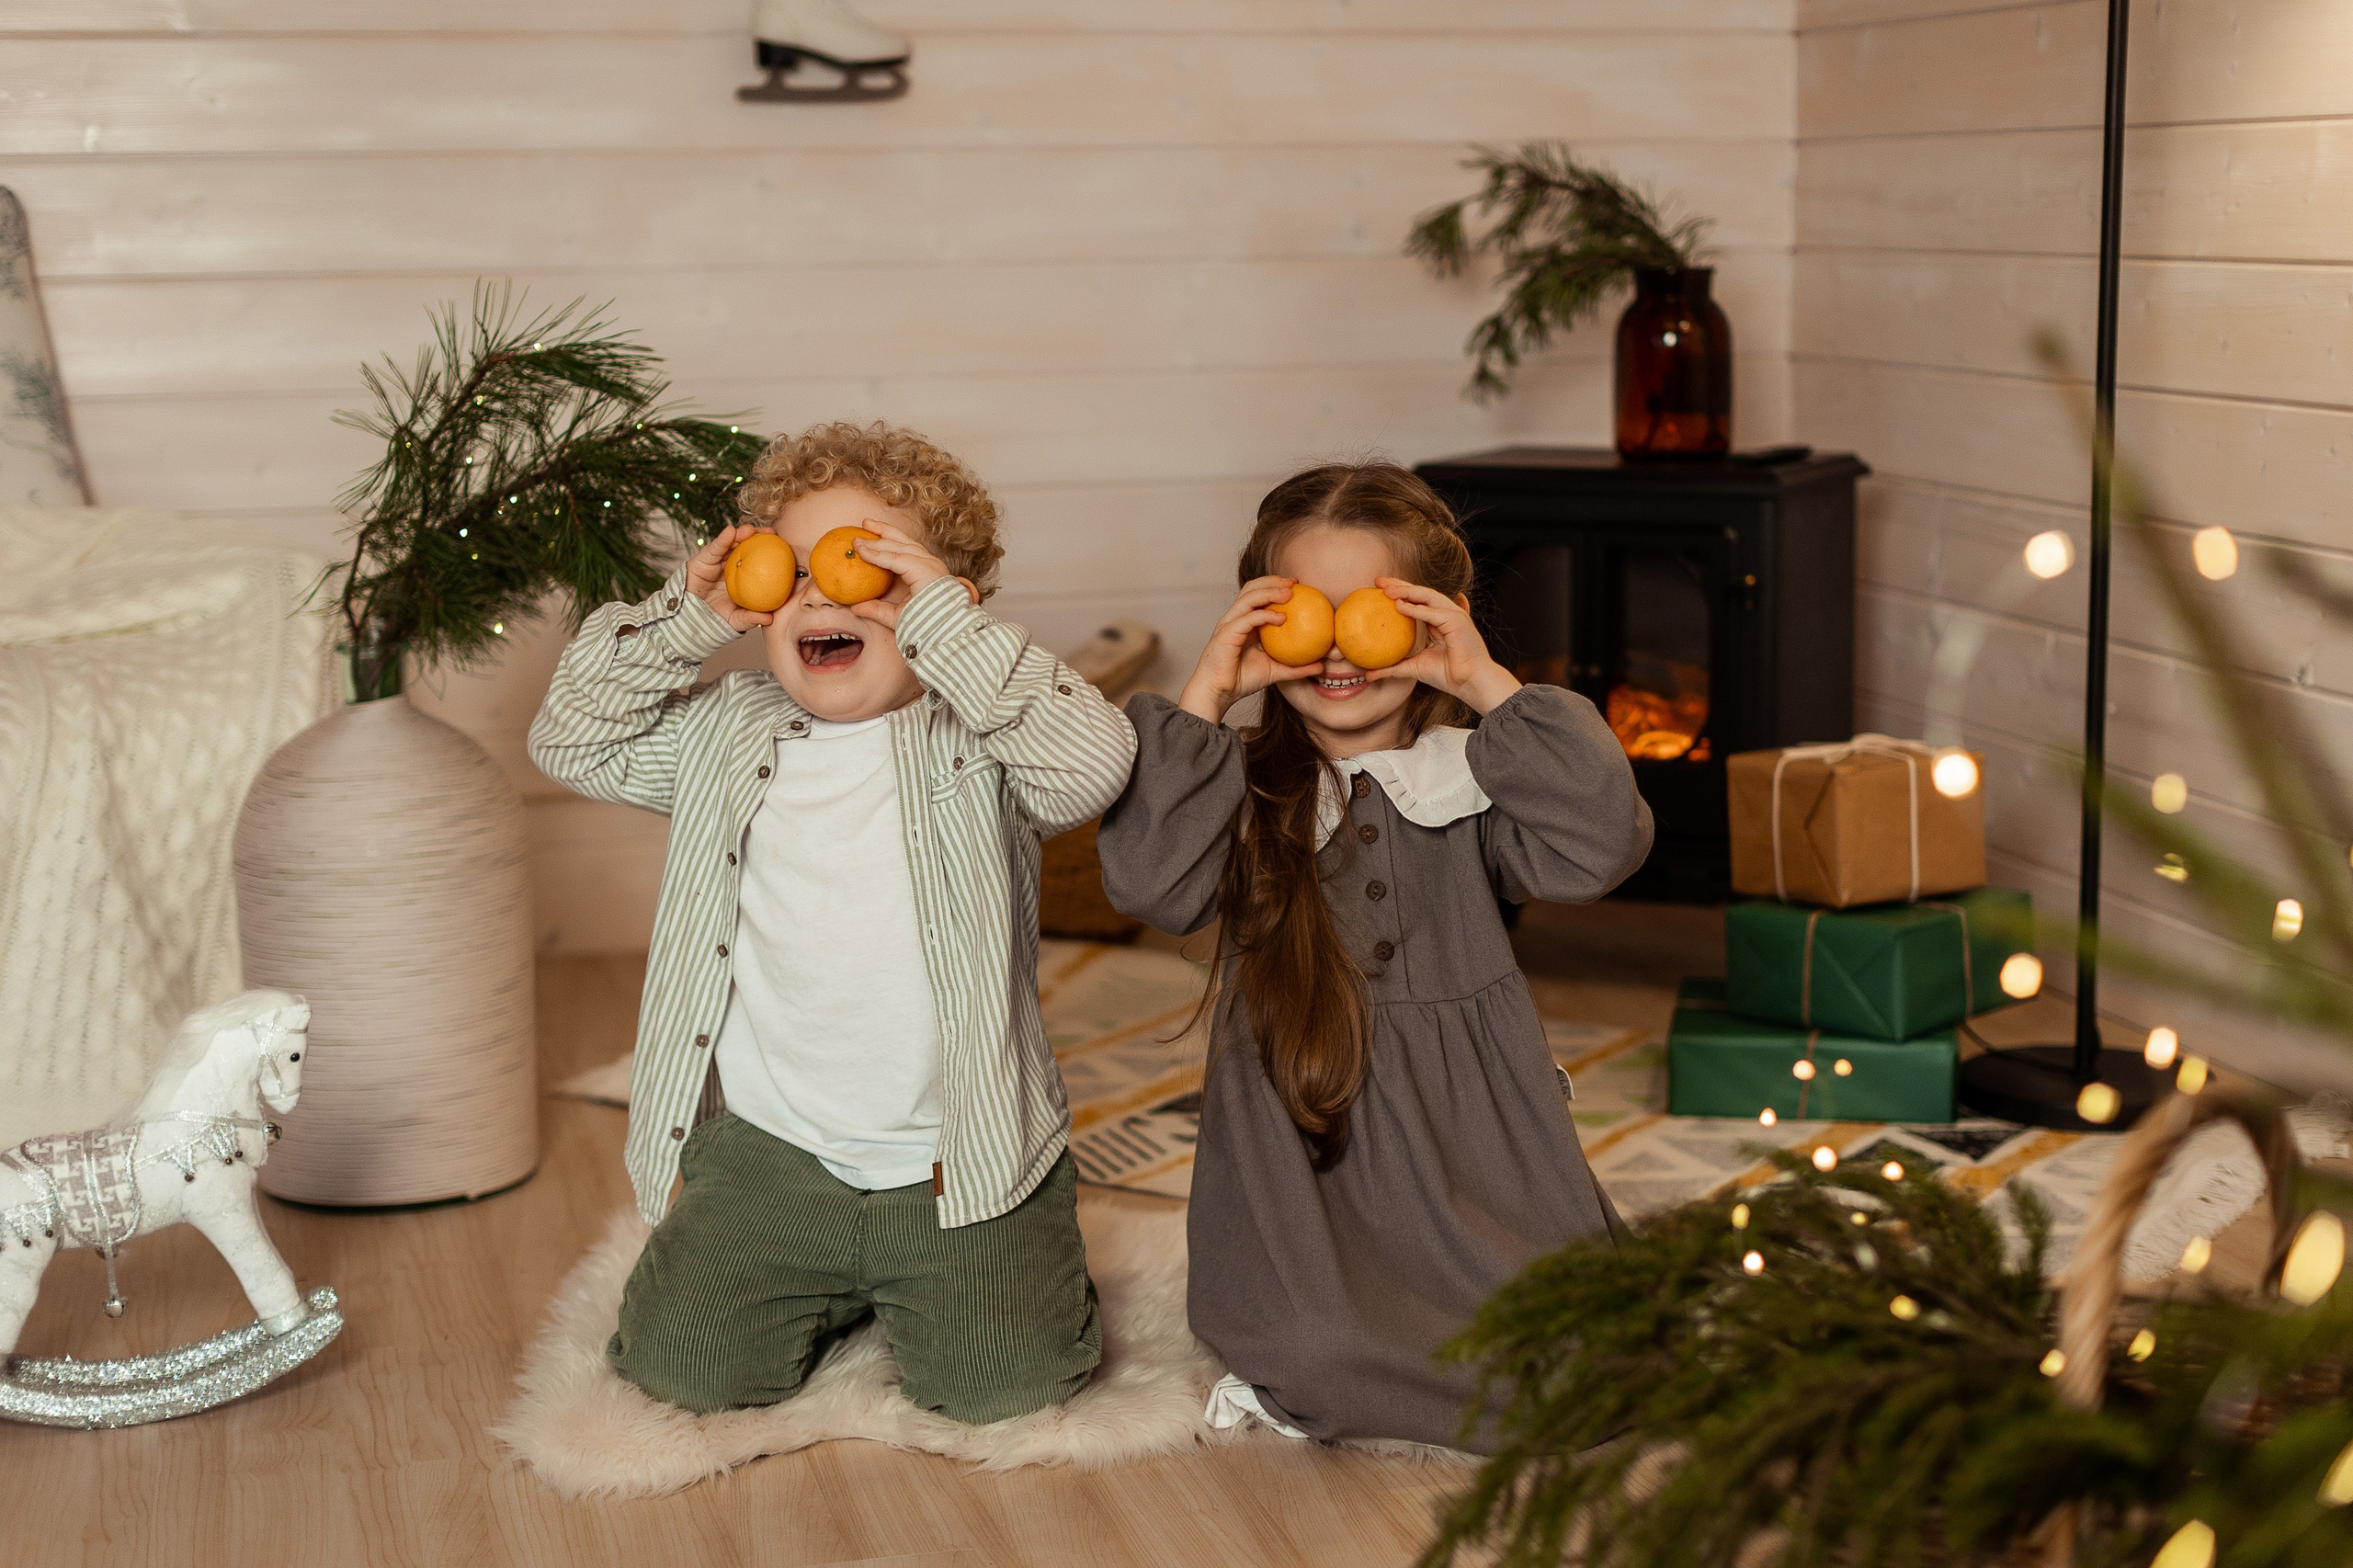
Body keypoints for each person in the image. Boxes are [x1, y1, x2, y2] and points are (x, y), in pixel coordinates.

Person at [529, 420, 1134, 1422]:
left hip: (958, 1160)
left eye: (865, 568)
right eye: (793, 570)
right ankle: (821, 1280)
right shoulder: (726, 730)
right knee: (682, 1371)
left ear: (944, 604)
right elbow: (571, 740)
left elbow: (1092, 765)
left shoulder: (983, 736)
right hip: (776, 1152)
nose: (820, 593)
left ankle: (999, 1269)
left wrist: (944, 628)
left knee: (1008, 1387)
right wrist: (686, 619)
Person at [1097, 461, 1652, 1449]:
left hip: (1482, 1154)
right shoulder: (1240, 788)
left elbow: (1603, 843)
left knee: (1594, 1361)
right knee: (1318, 1353)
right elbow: (1149, 884)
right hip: (1304, 1171)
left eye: (1372, 612)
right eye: (1304, 610)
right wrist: (1208, 690)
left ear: (1438, 620)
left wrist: (1482, 682)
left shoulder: (1477, 778)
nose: (1336, 646)